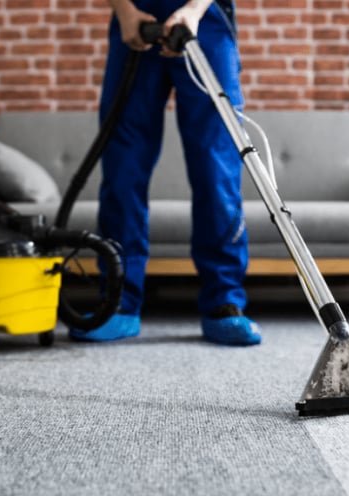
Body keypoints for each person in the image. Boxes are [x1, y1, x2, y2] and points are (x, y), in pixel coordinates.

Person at [69, 0, 261, 346]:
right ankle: (118, 302)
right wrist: (124, 11)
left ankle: (224, 302)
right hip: (135, 20)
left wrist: (195, 10)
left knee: (216, 171)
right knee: (123, 170)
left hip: (205, 24)